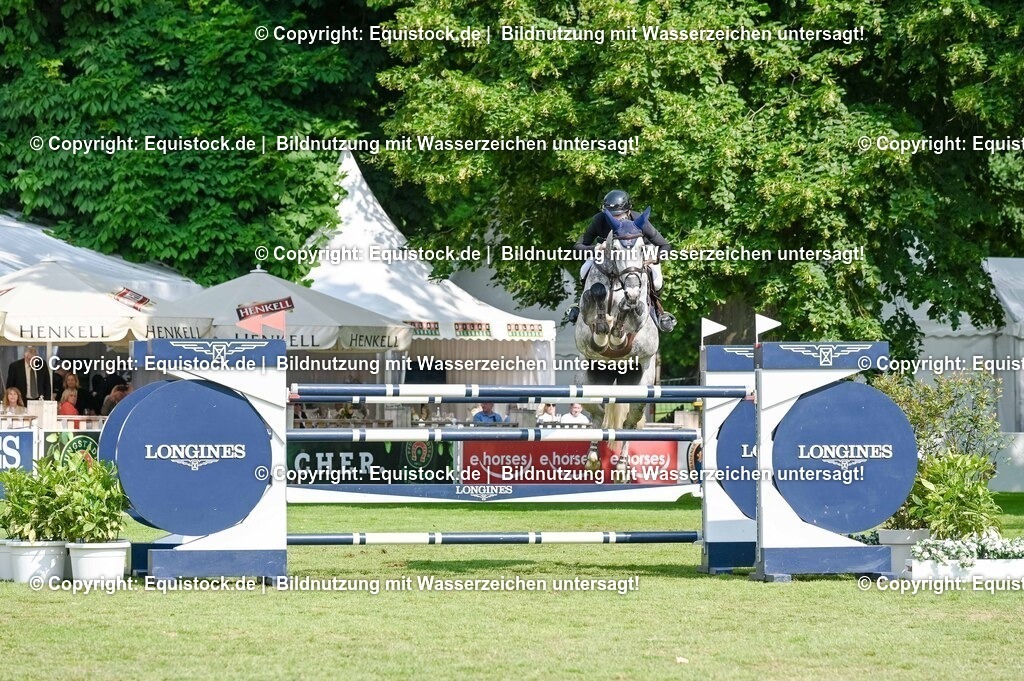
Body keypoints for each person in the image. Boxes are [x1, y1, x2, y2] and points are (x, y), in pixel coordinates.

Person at [568, 189, 676, 332]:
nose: (616, 219)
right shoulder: (599, 220)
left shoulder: (639, 220)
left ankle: (658, 311)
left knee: (657, 281)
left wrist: (656, 258)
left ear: (628, 211)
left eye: (619, 215)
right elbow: (578, 246)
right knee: (583, 271)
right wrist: (596, 249)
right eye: (611, 216)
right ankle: (579, 303)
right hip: (607, 254)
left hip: (638, 254)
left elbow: (665, 245)